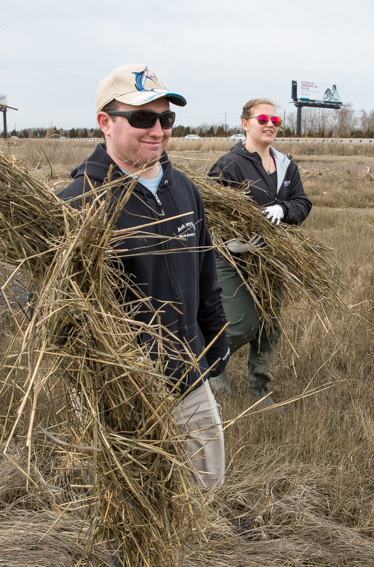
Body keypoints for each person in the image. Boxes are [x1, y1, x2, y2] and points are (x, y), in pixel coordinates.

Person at [56, 64, 229, 488]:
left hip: (188, 370)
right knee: (131, 497)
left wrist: (216, 342)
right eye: (141, 118)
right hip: (120, 386)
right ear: (105, 123)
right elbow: (55, 315)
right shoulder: (77, 205)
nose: (157, 129)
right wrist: (103, 379)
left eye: (166, 118)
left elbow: (206, 273)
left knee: (203, 482)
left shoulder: (184, 189)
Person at [207, 99, 312, 407]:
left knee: (269, 325)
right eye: (263, 118)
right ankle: (212, 365)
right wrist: (243, 227)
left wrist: (284, 208)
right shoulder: (229, 164)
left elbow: (303, 203)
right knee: (242, 323)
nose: (270, 124)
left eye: (276, 120)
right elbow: (213, 212)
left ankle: (259, 388)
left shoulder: (286, 165)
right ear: (245, 124)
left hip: (272, 257)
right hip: (233, 256)